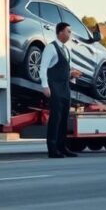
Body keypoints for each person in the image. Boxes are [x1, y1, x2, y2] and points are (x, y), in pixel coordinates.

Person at [41, 22, 83, 158]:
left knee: (64, 118)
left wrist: (72, 74)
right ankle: (52, 149)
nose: (70, 34)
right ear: (60, 32)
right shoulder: (50, 48)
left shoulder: (66, 49)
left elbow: (65, 70)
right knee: (56, 119)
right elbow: (42, 68)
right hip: (55, 88)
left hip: (65, 88)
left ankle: (62, 147)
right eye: (68, 31)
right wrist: (45, 86)